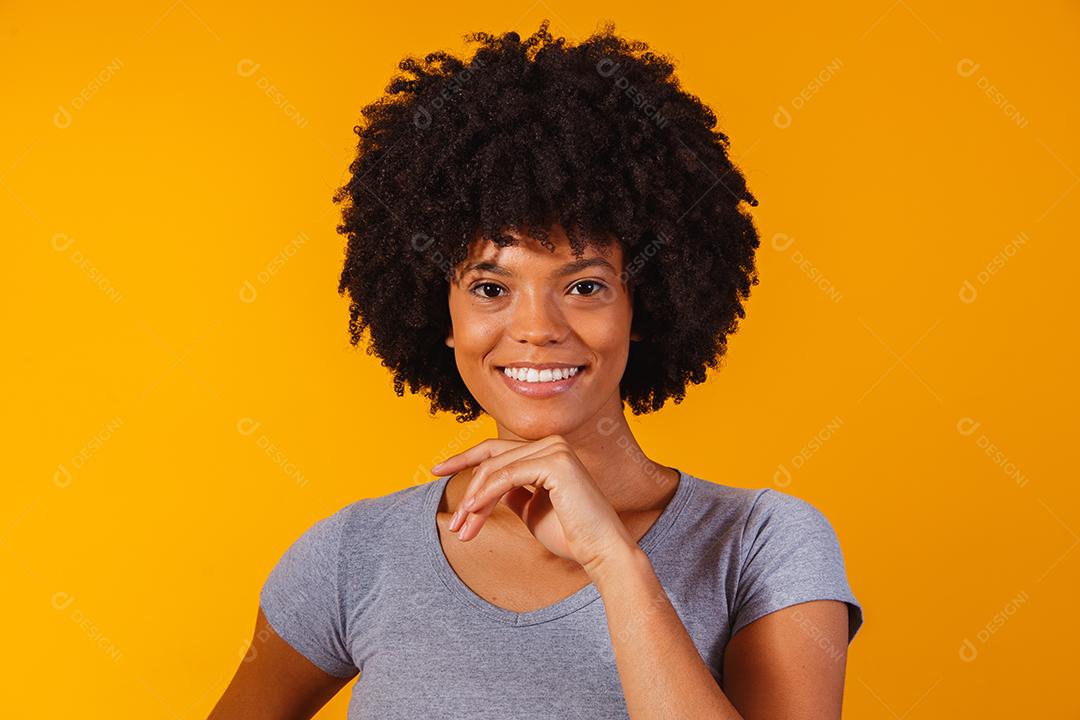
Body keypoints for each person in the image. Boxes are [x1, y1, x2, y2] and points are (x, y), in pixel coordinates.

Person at [210, 19, 863, 719]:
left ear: (642, 306)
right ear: (442, 315)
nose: (536, 329)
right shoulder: (355, 554)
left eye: (583, 285)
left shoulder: (762, 543)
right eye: (490, 288)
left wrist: (613, 561)